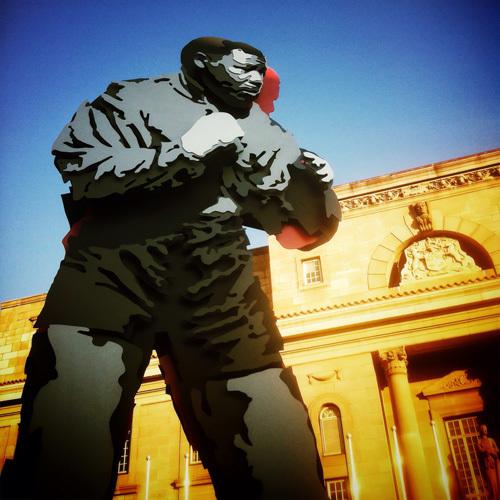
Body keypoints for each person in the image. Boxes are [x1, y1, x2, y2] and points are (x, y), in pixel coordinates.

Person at [1, 37, 340, 499]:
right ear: (200, 62)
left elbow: (296, 231)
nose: (255, 79)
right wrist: (184, 150)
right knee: (66, 445)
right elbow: (79, 163)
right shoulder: (131, 97)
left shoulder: (264, 129)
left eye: (259, 71)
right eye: (243, 68)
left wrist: (313, 187)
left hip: (218, 285)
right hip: (111, 275)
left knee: (276, 450)